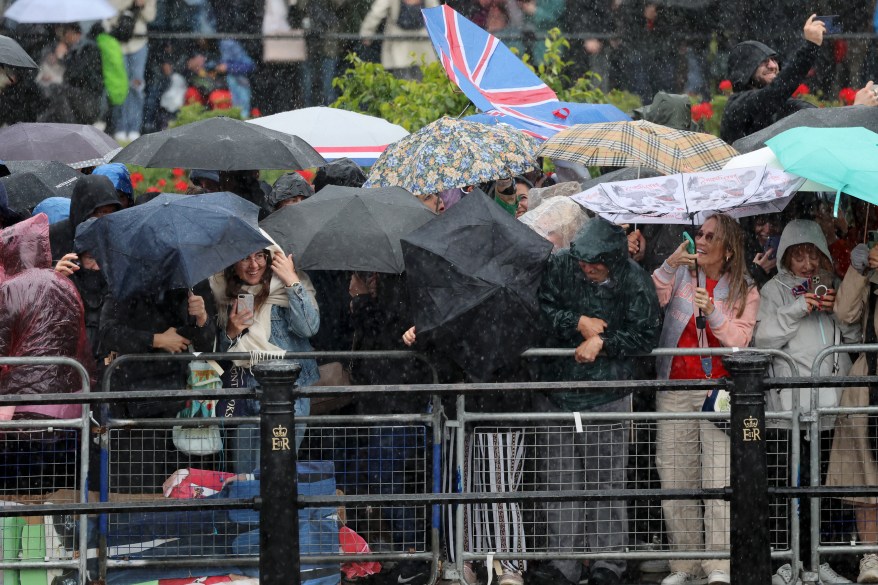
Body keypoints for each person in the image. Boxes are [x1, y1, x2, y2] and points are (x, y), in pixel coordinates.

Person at [533, 218, 661, 585]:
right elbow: (542, 309)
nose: (588, 268)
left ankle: (609, 563)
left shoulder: (634, 280)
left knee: (607, 483)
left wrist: (605, 342)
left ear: (614, 259)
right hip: (558, 392)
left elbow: (646, 333)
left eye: (596, 263)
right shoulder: (560, 265)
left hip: (607, 393)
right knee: (561, 485)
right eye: (583, 262)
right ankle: (564, 563)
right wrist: (578, 322)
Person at [652, 213, 760, 585]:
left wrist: (712, 312)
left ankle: (718, 566)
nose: (701, 240)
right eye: (699, 233)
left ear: (728, 249)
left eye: (710, 236)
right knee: (676, 477)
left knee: (717, 478)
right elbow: (652, 294)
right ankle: (685, 565)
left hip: (718, 392)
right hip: (675, 388)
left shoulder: (745, 288)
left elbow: (739, 341)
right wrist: (670, 264)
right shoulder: (683, 274)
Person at [753, 219, 858, 585]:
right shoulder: (772, 290)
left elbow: (855, 334)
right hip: (788, 407)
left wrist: (838, 309)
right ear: (786, 258)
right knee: (786, 485)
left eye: (813, 256)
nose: (808, 265)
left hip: (830, 405)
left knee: (825, 486)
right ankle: (787, 560)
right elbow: (762, 340)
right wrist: (799, 306)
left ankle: (821, 559)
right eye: (799, 257)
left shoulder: (837, 285)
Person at [210, 244, 320, 469]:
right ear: (234, 264)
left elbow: (309, 328)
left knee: (274, 471)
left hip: (287, 393)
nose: (253, 265)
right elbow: (224, 355)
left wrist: (291, 280)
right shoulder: (227, 292)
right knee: (245, 475)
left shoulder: (288, 285)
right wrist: (231, 331)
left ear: (269, 259)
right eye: (244, 258)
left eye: (259, 256)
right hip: (245, 393)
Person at [825, 241, 878, 583]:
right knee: (864, 478)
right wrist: (860, 271)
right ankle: (871, 557)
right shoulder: (868, 272)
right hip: (866, 381)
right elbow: (844, 314)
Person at [719, 15, 826, 144]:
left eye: (774, 60)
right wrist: (810, 47)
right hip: (749, 164)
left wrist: (853, 113)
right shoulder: (737, 106)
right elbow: (775, 92)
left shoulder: (783, 105)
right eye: (763, 61)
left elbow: (819, 118)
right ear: (744, 69)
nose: (773, 66)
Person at [106, 0, 158, 142]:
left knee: (136, 85)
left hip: (139, 43)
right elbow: (110, 9)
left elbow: (150, 17)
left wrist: (142, 5)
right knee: (120, 86)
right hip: (118, 42)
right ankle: (120, 127)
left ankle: (134, 127)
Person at [49, 175, 122, 262]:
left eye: (113, 211)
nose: (108, 218)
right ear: (83, 212)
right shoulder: (55, 236)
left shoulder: (120, 236)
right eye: (101, 212)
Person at [359, 0, 439, 79]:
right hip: (423, 53)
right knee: (425, 86)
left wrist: (367, 33)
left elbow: (376, 13)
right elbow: (438, 17)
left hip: (400, 53)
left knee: (402, 86)